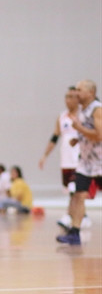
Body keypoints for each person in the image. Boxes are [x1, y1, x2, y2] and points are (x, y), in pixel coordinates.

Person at [39, 87, 91, 229]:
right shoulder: (61, 117)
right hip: (66, 161)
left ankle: (77, 217)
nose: (68, 99)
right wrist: (45, 155)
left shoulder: (83, 116)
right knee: (70, 190)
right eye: (66, 96)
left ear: (78, 99)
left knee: (77, 190)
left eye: (72, 96)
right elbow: (54, 138)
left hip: (80, 160)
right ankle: (76, 216)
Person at [57, 80, 102, 245]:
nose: (76, 93)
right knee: (78, 195)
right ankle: (75, 232)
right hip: (86, 163)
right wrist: (78, 139)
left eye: (79, 90)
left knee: (79, 195)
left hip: (99, 162)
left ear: (90, 92)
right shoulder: (83, 110)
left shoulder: (97, 109)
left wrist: (80, 129)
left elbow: (100, 135)